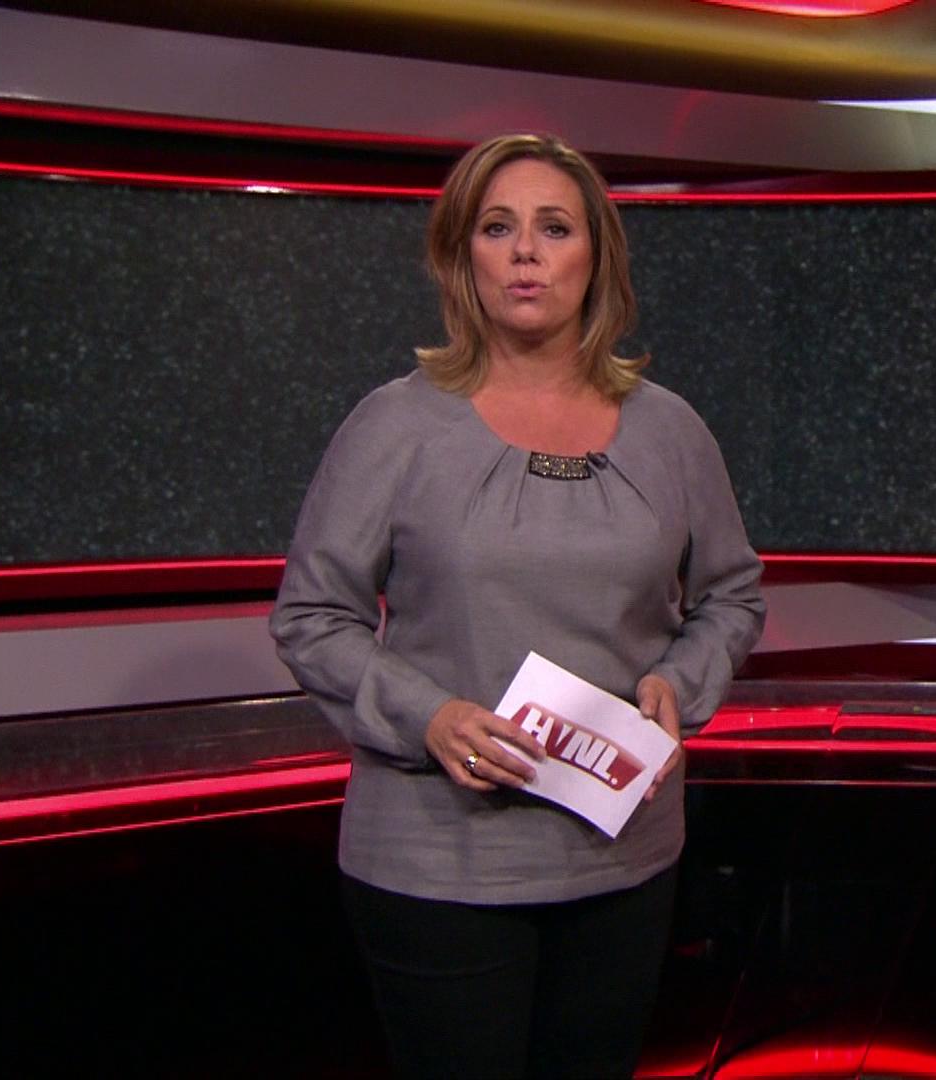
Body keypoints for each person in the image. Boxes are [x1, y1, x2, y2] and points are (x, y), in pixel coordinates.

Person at [270, 133, 766, 1078]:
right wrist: (430, 717)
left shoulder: (671, 431)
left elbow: (733, 596)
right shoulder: (395, 425)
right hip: (439, 866)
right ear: (462, 257)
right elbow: (313, 616)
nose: (526, 252)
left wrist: (681, 682)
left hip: (623, 857)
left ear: (597, 256)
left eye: (554, 228)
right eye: (498, 229)